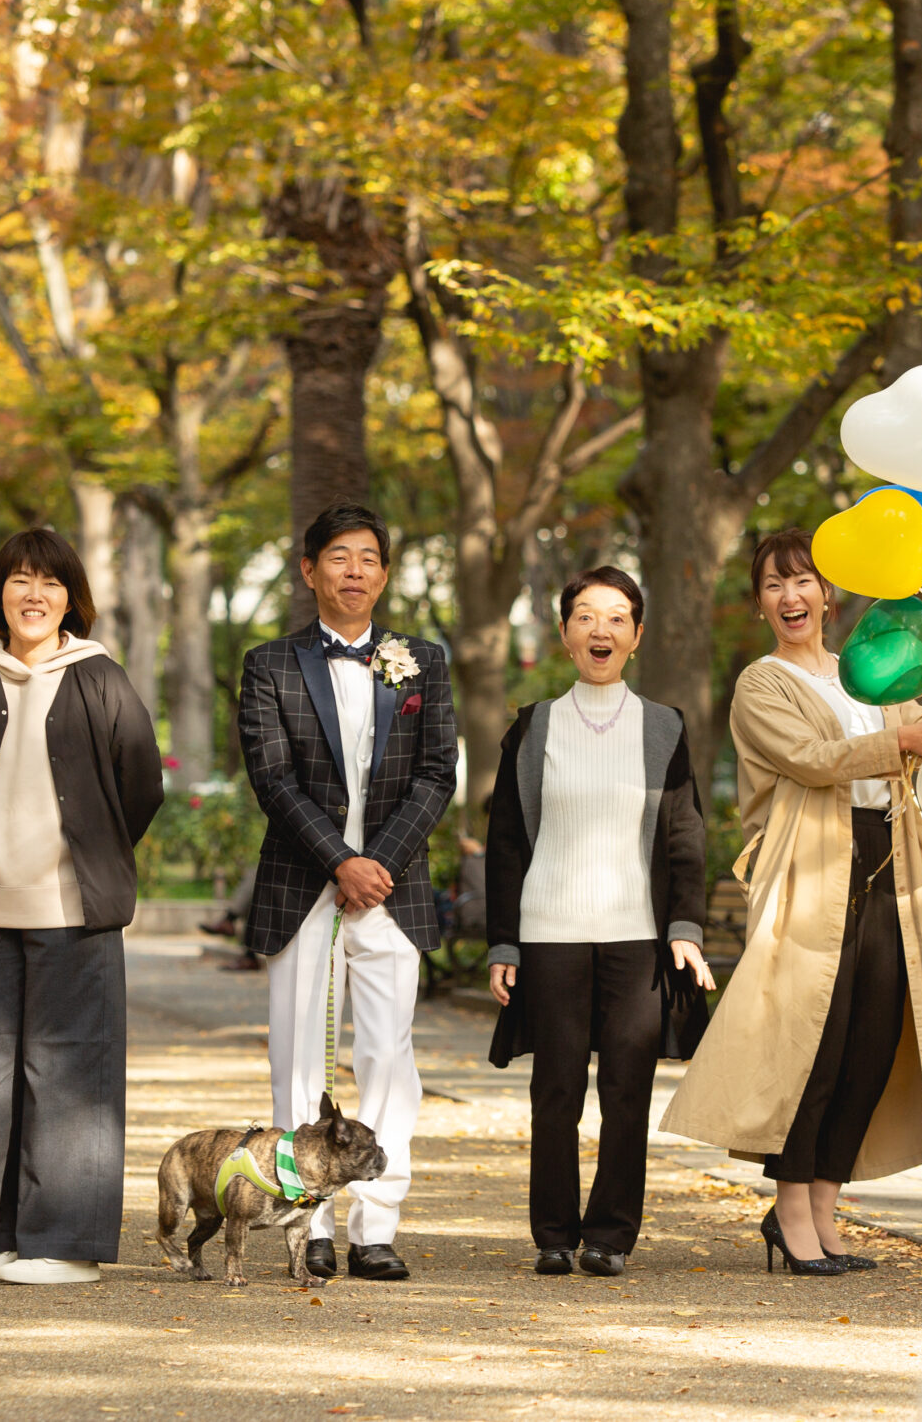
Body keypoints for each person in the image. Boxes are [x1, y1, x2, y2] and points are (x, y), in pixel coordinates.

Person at [659, 532, 922, 1275]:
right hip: (812, 869)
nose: (791, 596)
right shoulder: (762, 683)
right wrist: (907, 740)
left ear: (828, 592)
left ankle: (825, 1207)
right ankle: (790, 1210)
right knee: (812, 1041)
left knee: (873, 1038)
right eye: (773, 584)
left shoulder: (873, 673)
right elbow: (812, 761)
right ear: (760, 603)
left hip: (892, 862)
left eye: (803, 581)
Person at [0, 527, 163, 1286]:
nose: (34, 595)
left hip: (74, 908)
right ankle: (3, 1237)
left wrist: (91, 854)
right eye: (20, 580)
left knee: (70, 1070)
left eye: (51, 583)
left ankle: (65, 1243)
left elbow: (140, 786)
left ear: (72, 598)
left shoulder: (100, 678)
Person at [236, 501, 457, 1282]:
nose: (353, 570)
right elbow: (273, 776)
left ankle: (378, 1224)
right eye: (337, 556)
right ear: (309, 570)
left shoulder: (422, 659)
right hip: (304, 883)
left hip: (393, 891)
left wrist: (376, 865)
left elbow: (438, 774)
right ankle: (312, 1219)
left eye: (368, 557)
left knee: (388, 1055)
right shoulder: (270, 663)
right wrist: (338, 860)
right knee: (299, 1055)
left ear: (385, 573)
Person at [483, 565, 712, 1278]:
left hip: (636, 940)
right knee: (555, 1091)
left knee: (625, 1090)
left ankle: (609, 1234)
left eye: (616, 616)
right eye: (586, 615)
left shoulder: (664, 726)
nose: (600, 628)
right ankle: (553, 1231)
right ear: (565, 634)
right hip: (549, 933)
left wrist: (685, 928)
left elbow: (685, 836)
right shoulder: (534, 725)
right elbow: (506, 841)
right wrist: (503, 939)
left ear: (636, 635)